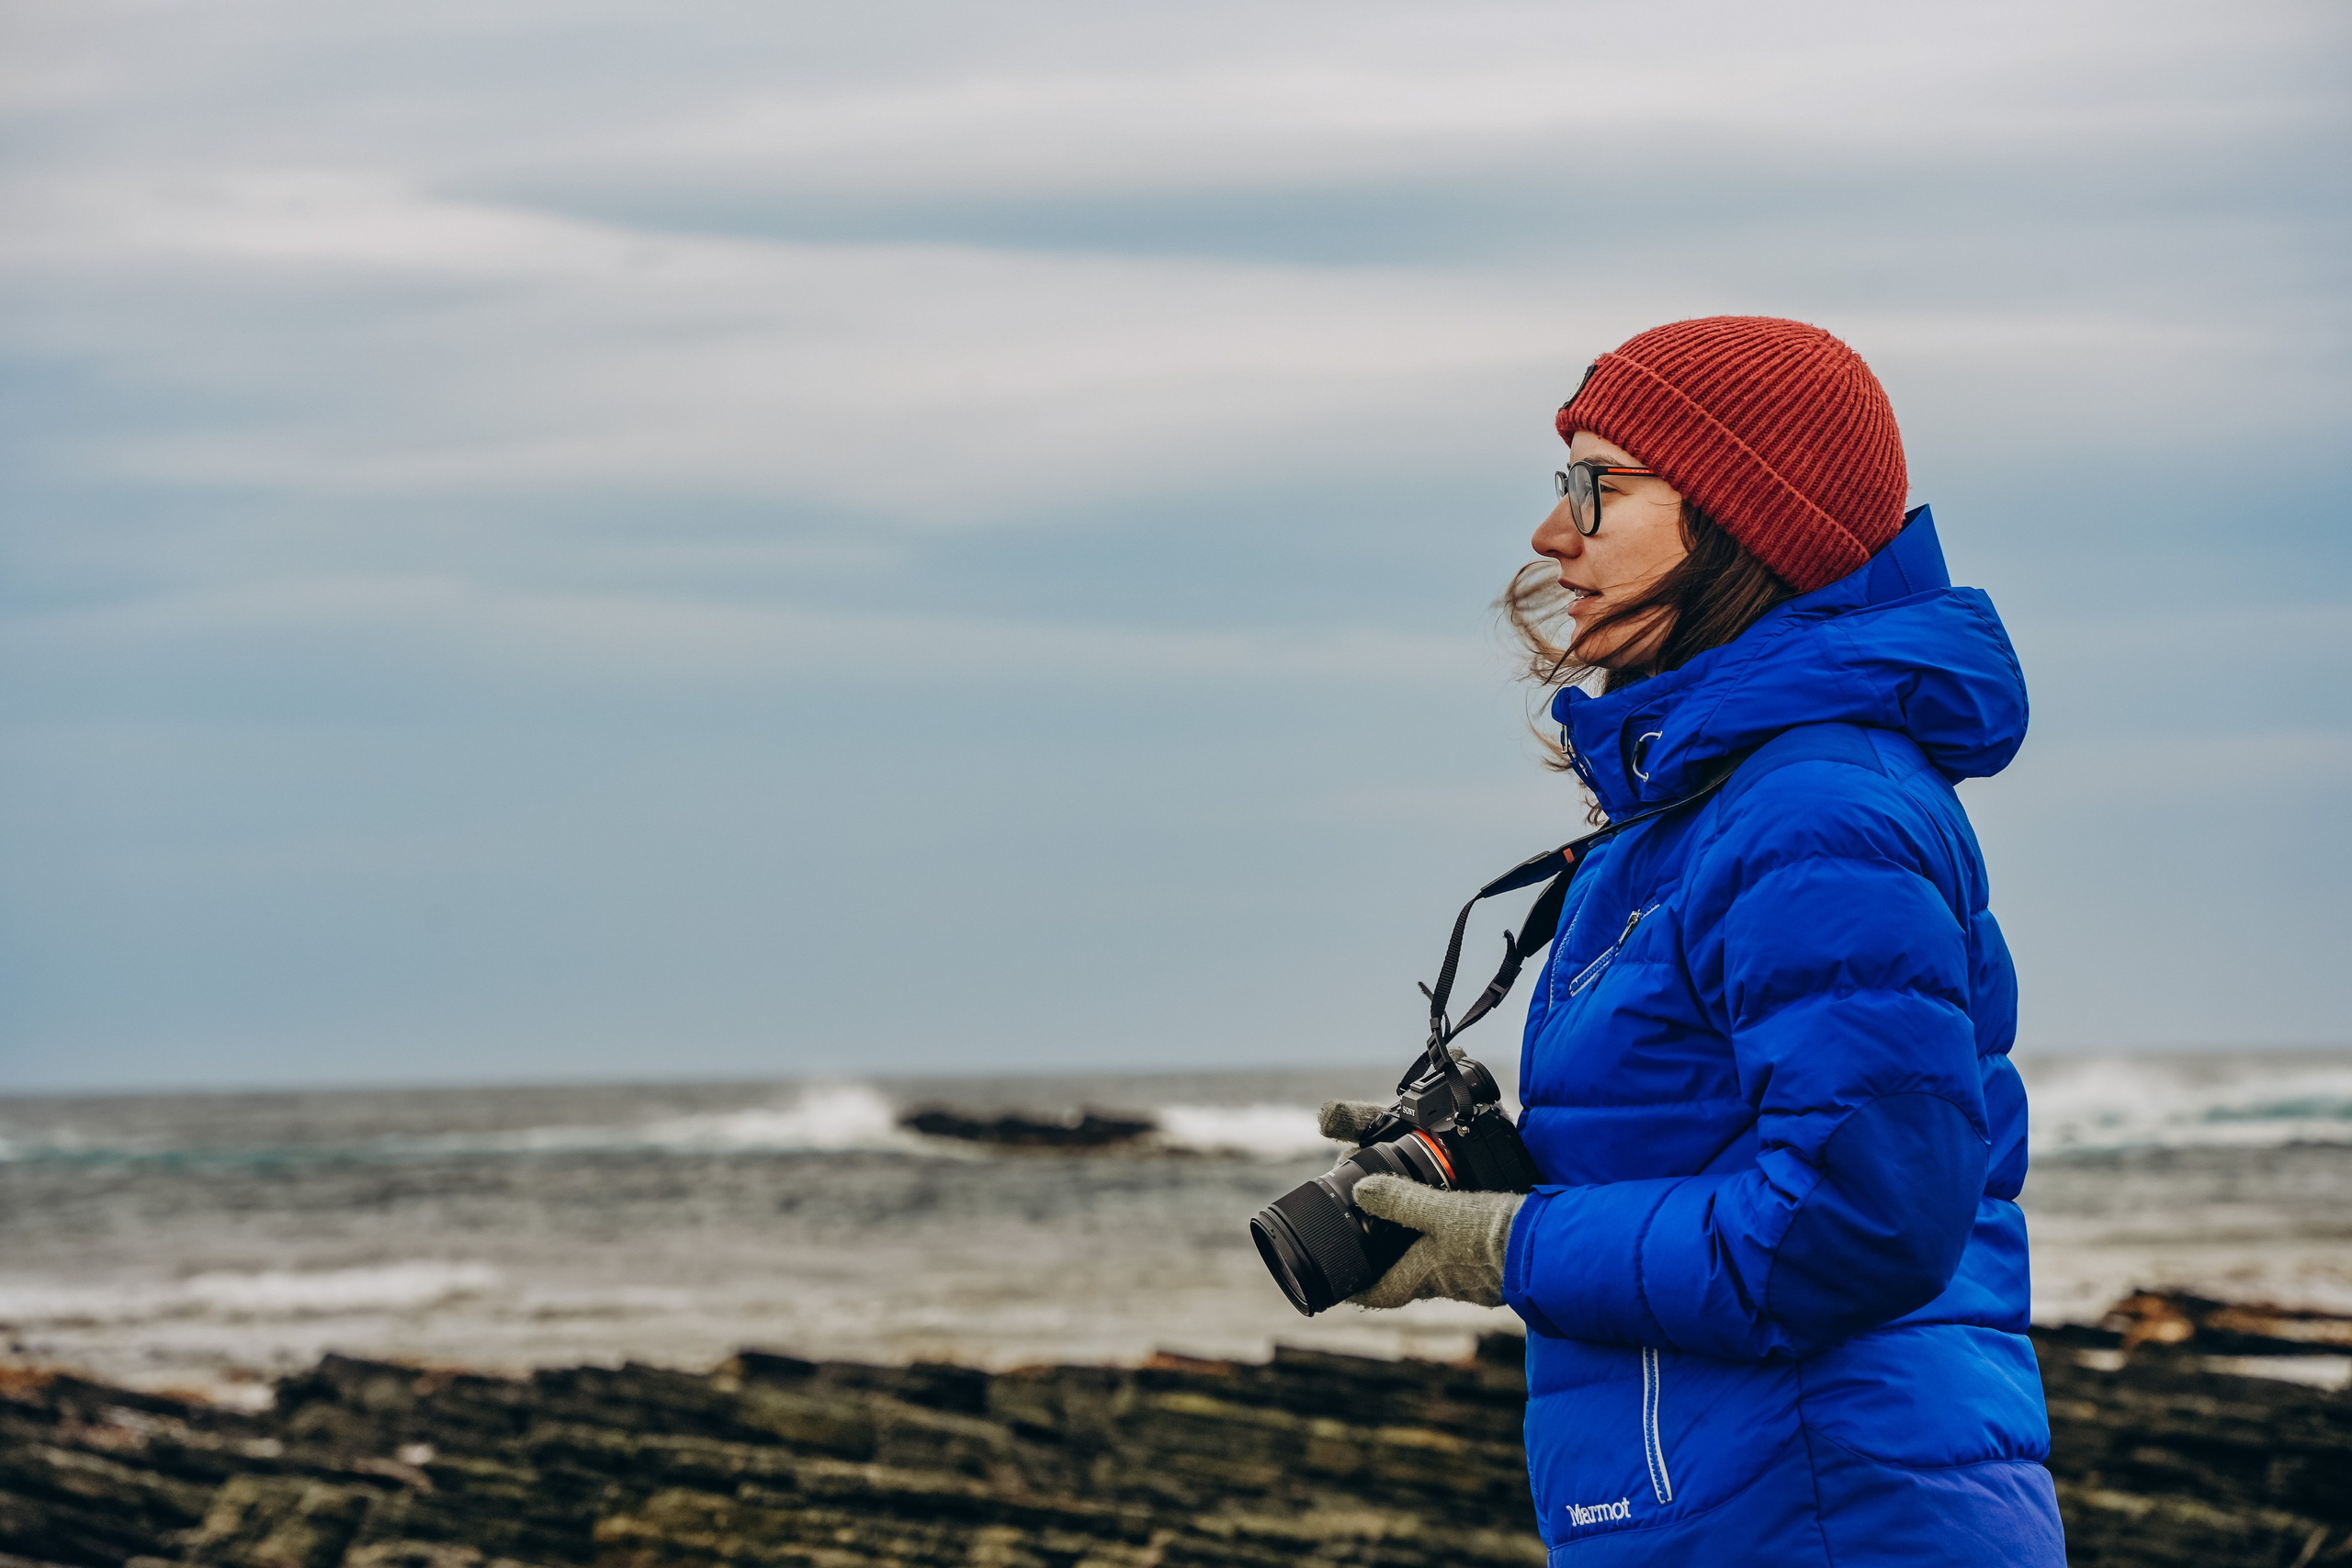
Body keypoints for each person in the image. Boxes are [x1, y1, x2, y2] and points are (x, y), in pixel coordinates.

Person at [1319, 317, 2067, 1565]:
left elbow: (1856, 1221)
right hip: (1741, 1511)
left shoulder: (1817, 814)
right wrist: (1501, 1191)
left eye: (1596, 490)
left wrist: (1509, 1249)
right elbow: (1726, 1161)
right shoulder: (1705, 814)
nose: (1551, 534)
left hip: (1831, 1523)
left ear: (1742, 517)